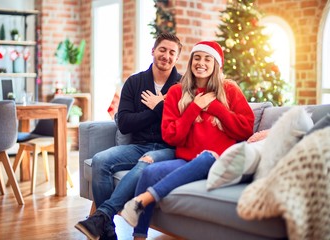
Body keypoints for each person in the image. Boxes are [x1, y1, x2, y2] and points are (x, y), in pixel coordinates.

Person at [120, 40, 255, 239]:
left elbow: (245, 129)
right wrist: (194, 109)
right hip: (186, 160)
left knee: (208, 157)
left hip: (219, 162)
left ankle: (142, 200)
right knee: (149, 173)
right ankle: (138, 235)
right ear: (191, 62)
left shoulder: (230, 90)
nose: (201, 63)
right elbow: (170, 135)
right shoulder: (177, 92)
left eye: (207, 59)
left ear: (216, 64)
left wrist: (216, 108)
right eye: (197, 58)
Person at [75, 33, 183, 240]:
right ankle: (108, 231)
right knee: (100, 161)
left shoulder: (183, 85)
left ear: (177, 58)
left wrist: (157, 105)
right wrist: (157, 109)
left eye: (172, 52)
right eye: (162, 50)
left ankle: (101, 217)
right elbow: (124, 124)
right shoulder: (134, 82)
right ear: (153, 51)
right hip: (139, 145)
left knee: (144, 164)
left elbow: (180, 124)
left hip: (169, 149)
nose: (166, 56)